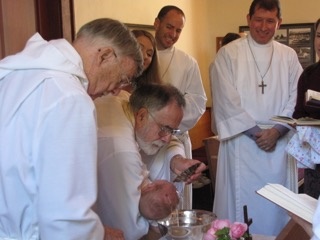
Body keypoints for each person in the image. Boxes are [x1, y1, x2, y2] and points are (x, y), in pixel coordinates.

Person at [0, 18, 143, 240]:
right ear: (104, 55)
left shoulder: (15, 75)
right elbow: (64, 219)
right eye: (121, 78)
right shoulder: (70, 98)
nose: (116, 91)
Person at [209, 0, 303, 236]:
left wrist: (277, 131)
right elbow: (226, 99)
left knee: (277, 209)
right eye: (258, 19)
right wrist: (257, 133)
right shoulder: (228, 54)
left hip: (279, 147)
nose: (263, 26)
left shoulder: (289, 56)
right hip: (241, 142)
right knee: (240, 208)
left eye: (270, 21)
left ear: (278, 23)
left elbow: (297, 98)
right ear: (249, 18)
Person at [94, 83, 206, 240]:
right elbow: (128, 229)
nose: (167, 139)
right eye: (165, 129)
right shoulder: (123, 151)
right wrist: (157, 226)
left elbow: (169, 140)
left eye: (172, 131)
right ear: (141, 116)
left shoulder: (125, 101)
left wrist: (176, 160)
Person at [153, 5, 207, 209]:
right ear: (156, 23)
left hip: (175, 139)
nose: (173, 34)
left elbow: (198, 101)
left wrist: (167, 124)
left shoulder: (187, 63)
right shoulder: (142, 55)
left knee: (177, 201)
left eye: (178, 30)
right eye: (169, 27)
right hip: (146, 145)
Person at [291, 18, 320, 199]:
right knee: (314, 218)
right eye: (319, 36)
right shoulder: (309, 74)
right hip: (316, 164)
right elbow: (299, 114)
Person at [122, 29, 162, 93]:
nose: (145, 56)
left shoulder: (152, 91)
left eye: (149, 54)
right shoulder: (105, 81)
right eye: (140, 49)